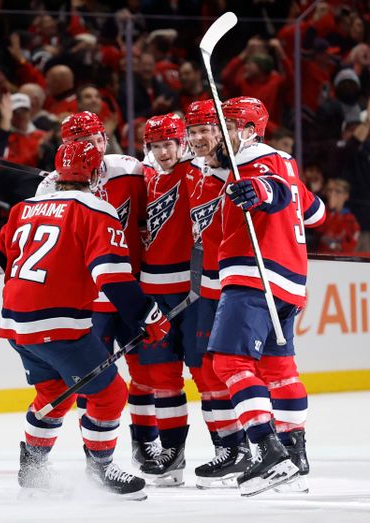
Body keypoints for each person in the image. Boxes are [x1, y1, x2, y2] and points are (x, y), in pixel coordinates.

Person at [0, 140, 170, 500]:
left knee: (53, 392)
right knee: (110, 392)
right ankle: (101, 470)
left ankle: (33, 468)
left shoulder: (25, 208)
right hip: (60, 324)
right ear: (96, 172)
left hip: (17, 327)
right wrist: (146, 314)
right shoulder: (97, 210)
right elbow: (111, 275)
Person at [210, 96, 321, 496]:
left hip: (255, 278)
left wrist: (257, 191)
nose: (223, 134)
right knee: (280, 370)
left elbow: (271, 190)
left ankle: (267, 450)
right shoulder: (287, 163)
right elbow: (316, 212)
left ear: (250, 131)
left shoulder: (257, 161)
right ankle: (296, 456)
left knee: (229, 362)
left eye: (230, 126)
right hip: (290, 282)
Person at [35, 111, 154, 471]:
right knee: (95, 381)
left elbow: (160, 209)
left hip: (128, 291)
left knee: (146, 375)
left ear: (105, 139)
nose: (92, 147)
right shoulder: (49, 188)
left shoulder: (130, 169)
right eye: (79, 143)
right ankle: (97, 458)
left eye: (95, 139)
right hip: (87, 302)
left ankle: (145, 445)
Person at [184, 100, 250, 489]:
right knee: (207, 372)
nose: (199, 137)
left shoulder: (242, 167)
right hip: (205, 286)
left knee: (239, 369)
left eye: (207, 129)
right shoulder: (191, 170)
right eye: (193, 131)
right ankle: (229, 449)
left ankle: (261, 445)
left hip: (237, 284)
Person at [136, 113, 198, 486]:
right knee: (161, 375)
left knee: (207, 373)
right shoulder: (142, 178)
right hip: (151, 287)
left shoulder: (195, 173)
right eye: (156, 146)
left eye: (169, 144)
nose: (163, 152)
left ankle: (232, 448)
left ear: (182, 142)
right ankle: (172, 454)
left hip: (191, 287)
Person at [314, 178, 360, 254]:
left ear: (346, 195)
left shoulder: (350, 219)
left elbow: (352, 244)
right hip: (321, 258)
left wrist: (336, 245)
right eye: (330, 190)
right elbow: (318, 232)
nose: (332, 194)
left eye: (338, 191)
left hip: (340, 260)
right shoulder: (322, 212)